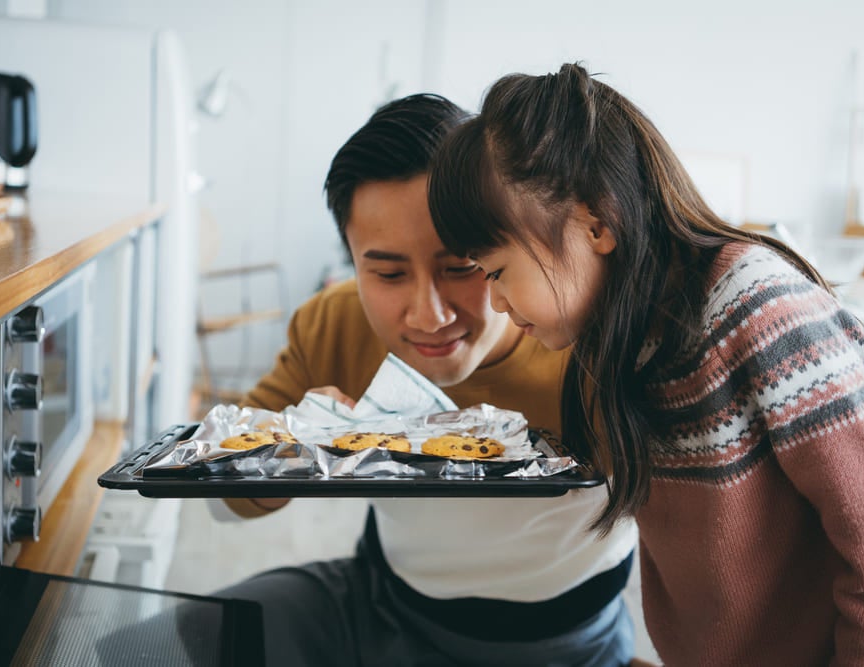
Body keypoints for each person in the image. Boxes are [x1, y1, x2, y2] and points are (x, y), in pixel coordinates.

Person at [426, 62, 864, 666]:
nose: (495, 301)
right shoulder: (618, 338)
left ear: (595, 224)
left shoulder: (761, 312)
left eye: (497, 271)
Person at [199, 94, 640, 666]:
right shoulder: (334, 326)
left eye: (462, 267)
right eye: (386, 272)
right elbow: (217, 500)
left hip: (567, 641)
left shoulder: (594, 342)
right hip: (380, 605)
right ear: (351, 261)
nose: (428, 316)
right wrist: (290, 456)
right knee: (159, 646)